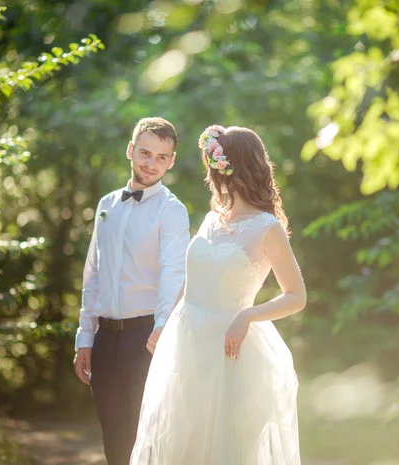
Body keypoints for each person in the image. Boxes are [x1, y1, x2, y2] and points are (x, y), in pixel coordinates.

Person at [130, 125, 306, 465]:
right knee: (181, 442)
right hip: (187, 344)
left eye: (216, 160)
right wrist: (166, 323)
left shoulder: (267, 227)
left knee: (224, 448)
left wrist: (247, 316)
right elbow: (193, 279)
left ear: (235, 164)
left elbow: (296, 296)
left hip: (230, 350)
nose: (211, 170)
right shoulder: (213, 218)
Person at [73, 117, 190, 465]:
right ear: (130, 150)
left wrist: (163, 329)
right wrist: (84, 337)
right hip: (104, 339)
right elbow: (92, 273)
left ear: (170, 161)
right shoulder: (106, 204)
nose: (151, 163)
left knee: (148, 442)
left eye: (161, 157)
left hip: (147, 338)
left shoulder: (172, 211)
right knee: (114, 440)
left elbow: (175, 273)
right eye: (145, 153)